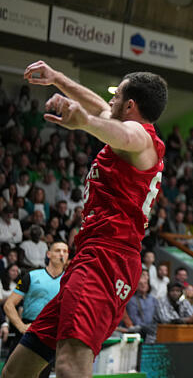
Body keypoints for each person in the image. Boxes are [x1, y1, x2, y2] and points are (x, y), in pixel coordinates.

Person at [2, 61, 167, 378]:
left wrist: (85, 123)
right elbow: (100, 109)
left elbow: (123, 133)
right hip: (91, 255)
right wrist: (58, 79)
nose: (109, 101)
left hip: (108, 259)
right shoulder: (127, 128)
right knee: (17, 370)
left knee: (70, 365)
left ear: (130, 105)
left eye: (116, 96)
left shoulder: (140, 137)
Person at [3, 242, 68, 357]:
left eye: (65, 251)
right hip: (29, 329)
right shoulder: (31, 276)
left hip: (53, 334)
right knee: (12, 368)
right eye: (58, 250)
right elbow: (9, 305)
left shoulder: (70, 280)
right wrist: (21, 326)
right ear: (48, 254)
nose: (62, 254)